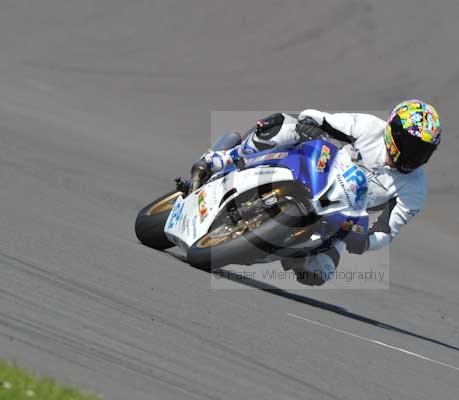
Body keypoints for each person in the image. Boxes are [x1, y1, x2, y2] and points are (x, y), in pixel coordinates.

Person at [177, 100, 442, 286]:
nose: (414, 154)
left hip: (341, 214)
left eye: (422, 150)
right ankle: (222, 159)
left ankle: (268, 246)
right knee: (283, 126)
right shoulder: (368, 127)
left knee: (318, 273)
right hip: (316, 170)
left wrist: (365, 242)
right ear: (392, 131)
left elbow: (387, 230)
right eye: (410, 144)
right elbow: (320, 118)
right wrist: (310, 125)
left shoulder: (415, 189)